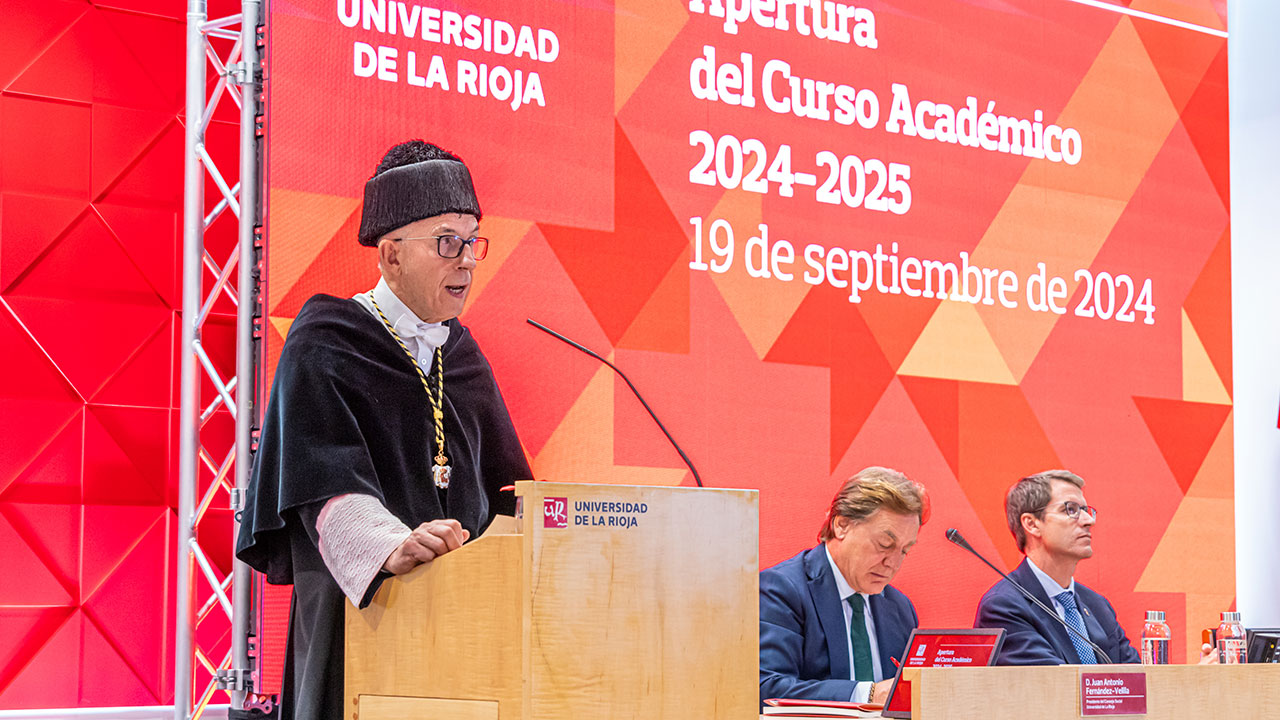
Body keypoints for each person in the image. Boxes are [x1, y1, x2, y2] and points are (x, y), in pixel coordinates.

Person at [235, 140, 533, 720]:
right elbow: (319, 483)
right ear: (392, 255)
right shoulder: (325, 339)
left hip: (464, 633)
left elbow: (505, 494)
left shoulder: (463, 357)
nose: (467, 260)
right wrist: (388, 545)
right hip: (363, 621)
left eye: (473, 241)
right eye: (449, 242)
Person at [975, 470, 1215, 666]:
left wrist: (1194, 678)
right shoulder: (1003, 606)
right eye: (1070, 510)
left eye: (1086, 511)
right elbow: (1054, 688)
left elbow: (1136, 685)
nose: (1088, 521)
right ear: (1032, 524)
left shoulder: (1097, 605)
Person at [759, 467, 926, 705]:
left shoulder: (900, 608)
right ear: (842, 525)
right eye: (884, 544)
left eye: (905, 550)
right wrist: (869, 694)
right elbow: (766, 687)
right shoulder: (782, 591)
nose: (893, 563)